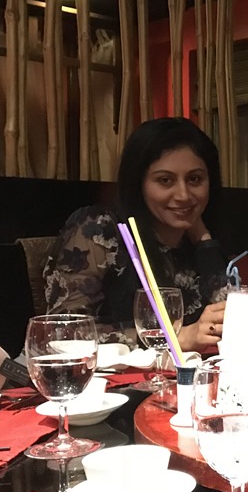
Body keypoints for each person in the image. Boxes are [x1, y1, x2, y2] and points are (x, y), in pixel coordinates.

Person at [44, 117, 228, 352]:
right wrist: (173, 338)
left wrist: (204, 240)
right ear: (139, 183)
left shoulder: (197, 241)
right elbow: (62, 334)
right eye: (165, 180)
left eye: (195, 179)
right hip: (105, 376)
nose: (183, 195)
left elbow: (231, 321)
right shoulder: (100, 230)